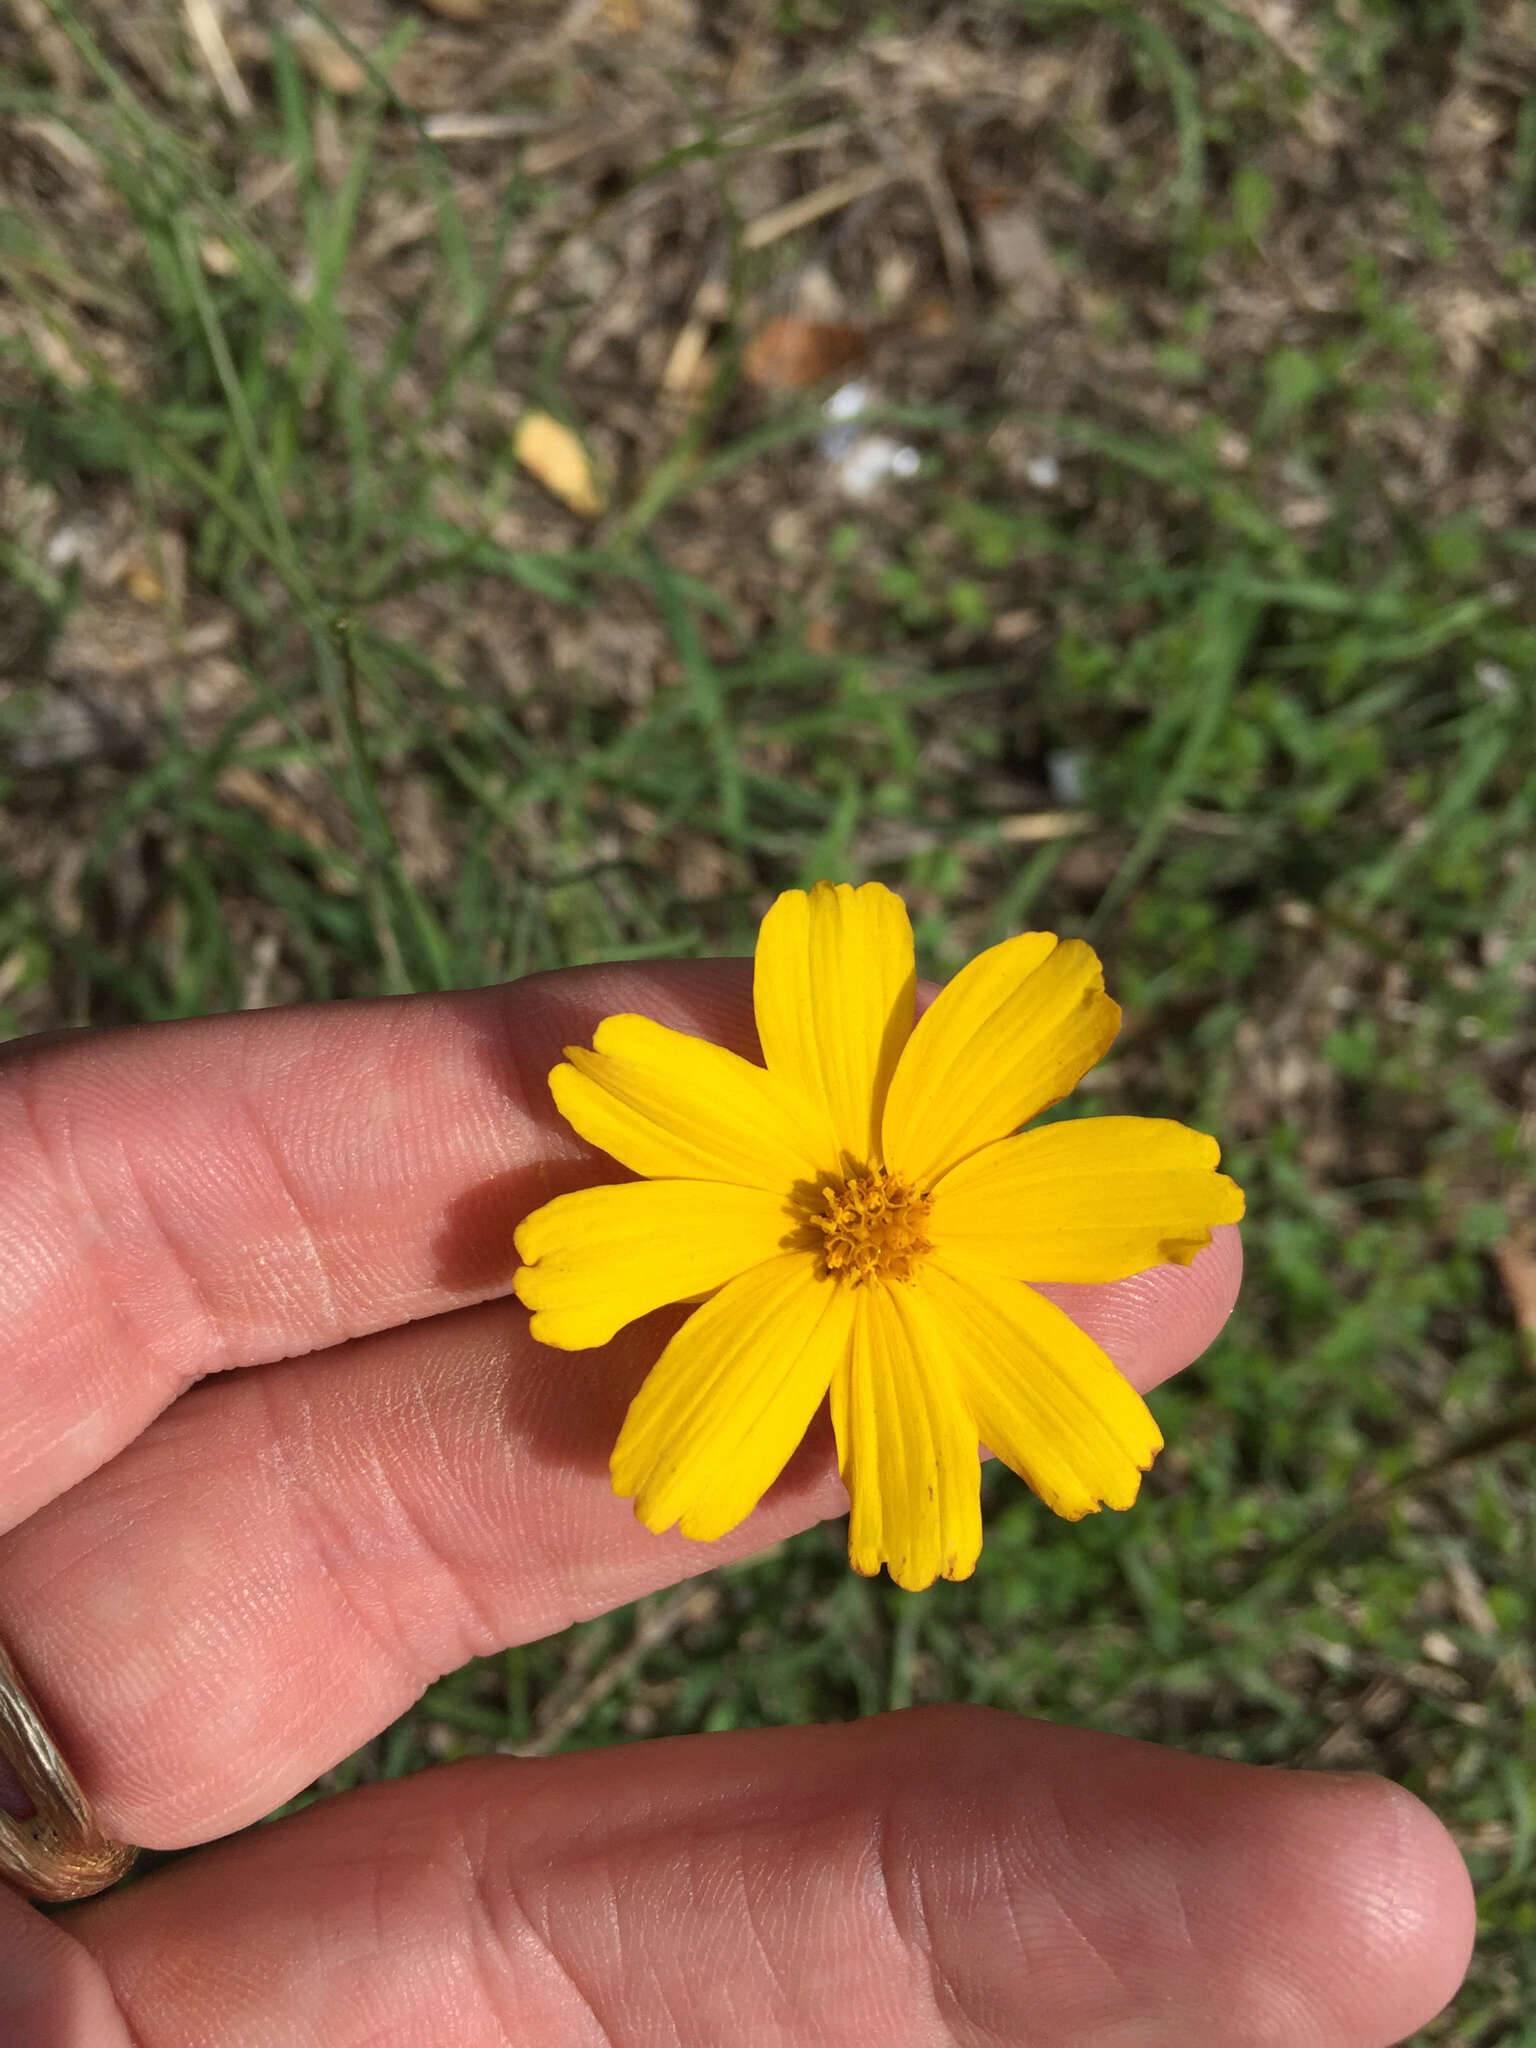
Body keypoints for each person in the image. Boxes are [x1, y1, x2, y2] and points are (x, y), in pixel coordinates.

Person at [0, 963, 1473, 2045]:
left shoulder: (941, 1285)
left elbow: (1085, 1258)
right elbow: (619, 1153)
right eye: (875, 1211)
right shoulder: (803, 1191)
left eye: (885, 1215)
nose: (876, 1216)